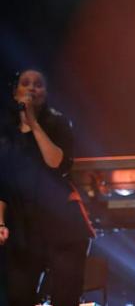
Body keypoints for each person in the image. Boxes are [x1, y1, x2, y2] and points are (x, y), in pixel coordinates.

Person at [0, 68, 94, 306]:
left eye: (38, 84)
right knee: (18, 295)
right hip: (23, 229)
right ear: (15, 92)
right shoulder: (6, 133)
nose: (32, 88)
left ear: (46, 92)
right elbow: (3, 185)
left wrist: (32, 122)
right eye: (26, 83)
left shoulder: (58, 123)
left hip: (63, 226)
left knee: (64, 297)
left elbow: (57, 164)